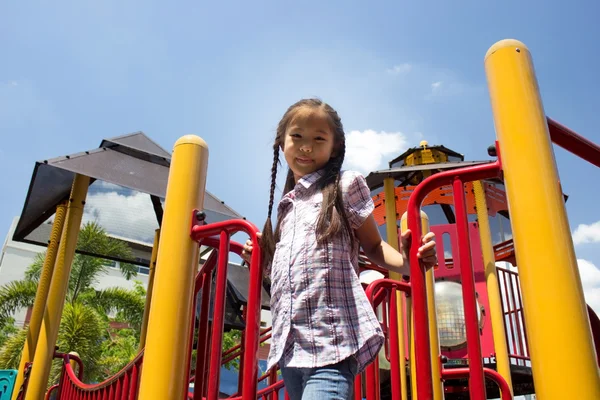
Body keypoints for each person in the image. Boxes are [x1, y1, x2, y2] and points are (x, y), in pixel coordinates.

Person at [241, 98, 437, 400]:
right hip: (291, 348)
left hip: (331, 341)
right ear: (282, 143)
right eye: (297, 136)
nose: (306, 146)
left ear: (334, 148)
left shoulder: (344, 186)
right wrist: (260, 262)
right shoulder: (287, 208)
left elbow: (372, 245)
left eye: (318, 139)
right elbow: (286, 273)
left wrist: (410, 263)